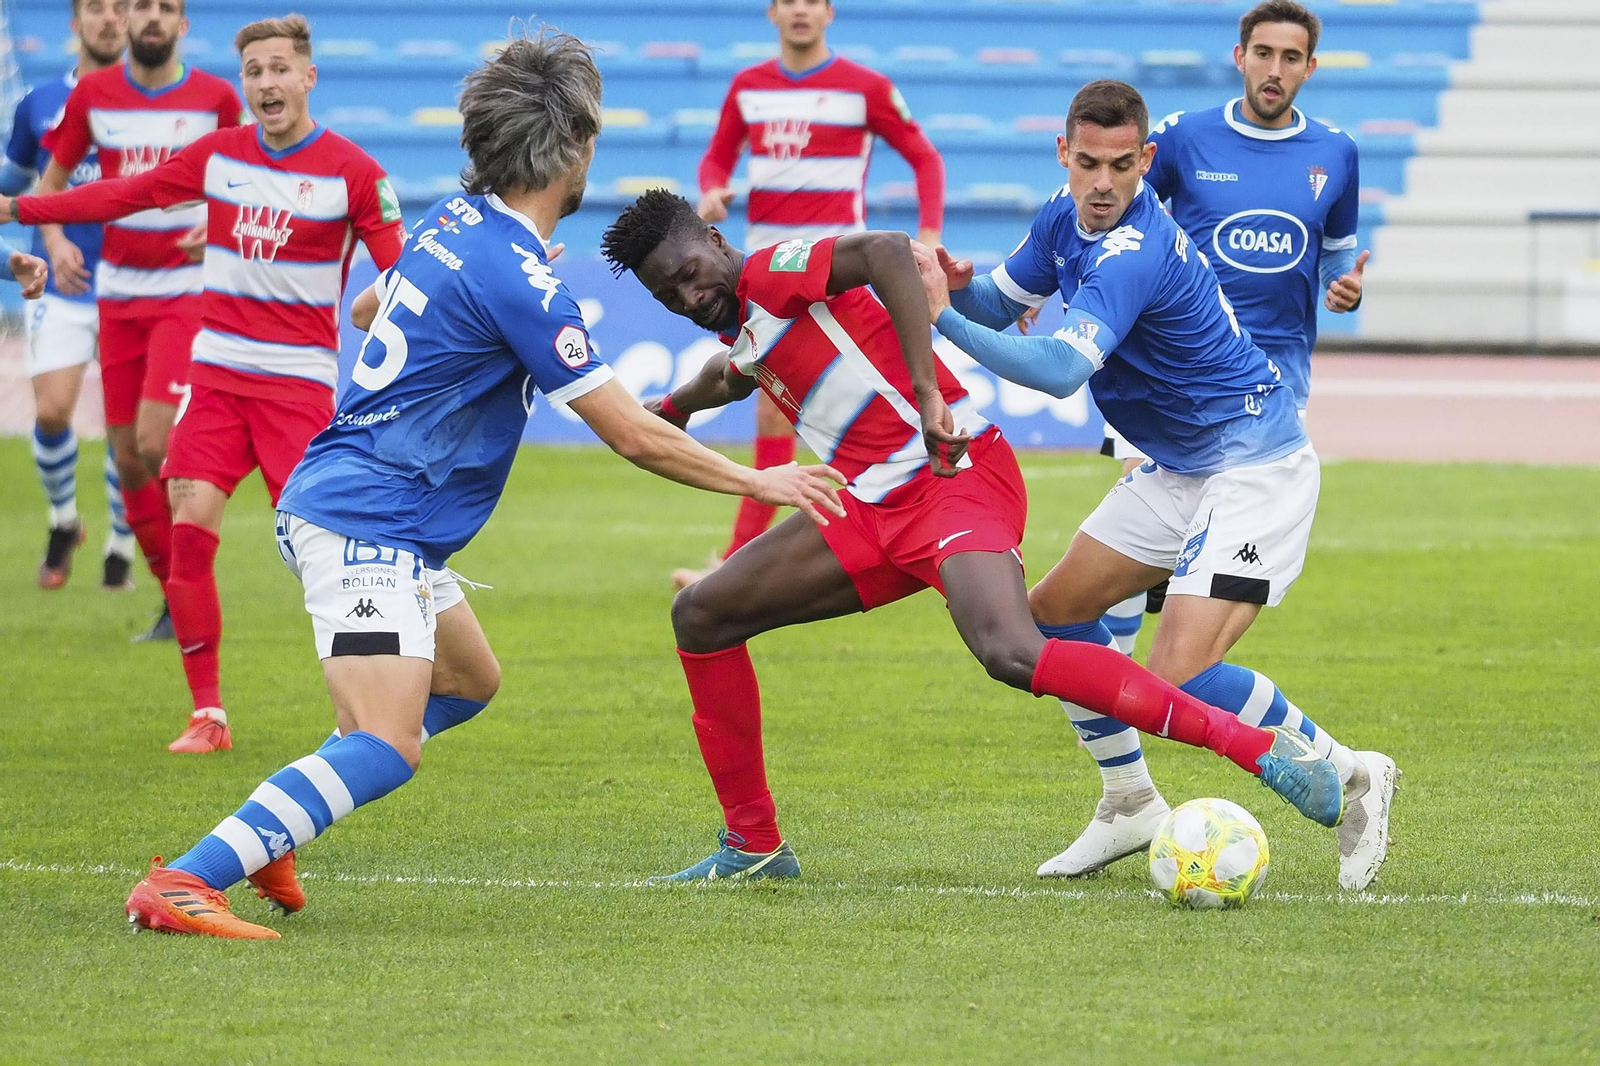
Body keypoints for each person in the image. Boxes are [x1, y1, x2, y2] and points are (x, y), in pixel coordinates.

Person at [118, 30, 847, 939]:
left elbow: (369, 303)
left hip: (383, 513)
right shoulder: (524, 279)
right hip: (364, 519)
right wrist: (765, 481)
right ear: (572, 145)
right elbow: (630, 433)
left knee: (467, 679)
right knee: (387, 742)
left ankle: (277, 828)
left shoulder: (450, 222)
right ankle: (186, 879)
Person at [600, 189, 1344, 883]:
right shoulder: (747, 324)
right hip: (868, 505)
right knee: (701, 615)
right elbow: (734, 372)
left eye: (691, 274)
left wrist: (928, 391)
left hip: (954, 474)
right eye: (670, 297)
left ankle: (1254, 748)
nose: (690, 298)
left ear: (717, 241)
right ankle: (753, 847)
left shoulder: (774, 270)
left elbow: (889, 250)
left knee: (1011, 650)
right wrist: (673, 408)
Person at [921, 79, 1394, 891]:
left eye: (1120, 167)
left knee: (1173, 673)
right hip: (1180, 467)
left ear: (1146, 160)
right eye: (1087, 164)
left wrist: (937, 315)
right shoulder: (1061, 217)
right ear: (1063, 155)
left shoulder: (1134, 248)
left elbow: (1062, 368)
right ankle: (1128, 802)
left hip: (1256, 465)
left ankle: (1355, 774)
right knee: (1053, 615)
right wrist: (954, 287)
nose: (1102, 184)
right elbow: (1001, 302)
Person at [3, 14, 406, 754]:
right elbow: (121, 196)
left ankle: (363, 707)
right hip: (218, 377)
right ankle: (208, 714)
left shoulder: (354, 172)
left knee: (322, 554)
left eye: (279, 68)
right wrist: (20, 209)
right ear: (243, 82)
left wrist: (379, 303)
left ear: (307, 77)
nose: (266, 84)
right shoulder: (218, 157)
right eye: (254, 71)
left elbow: (402, 272)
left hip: (297, 390)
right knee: (188, 523)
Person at [1096, 0, 1370, 659]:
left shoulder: (1336, 152)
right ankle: (1116, 673)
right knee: (1141, 508)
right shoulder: (1186, 135)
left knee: (1202, 531)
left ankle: (1166, 670)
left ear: (1310, 67)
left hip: (1270, 376)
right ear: (1240, 56)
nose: (1276, 69)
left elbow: (1337, 250)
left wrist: (1347, 285)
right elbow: (1113, 205)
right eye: (1265, 53)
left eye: (1291, 57)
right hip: (1169, 355)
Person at [674, 0, 946, 589]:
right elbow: (717, 156)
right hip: (761, 281)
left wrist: (928, 238)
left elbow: (924, 158)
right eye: (787, 0)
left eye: (811, 0)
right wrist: (712, 190)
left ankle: (742, 563)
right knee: (777, 414)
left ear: (829, 12)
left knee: (797, 413)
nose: (799, 10)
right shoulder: (749, 88)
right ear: (772, 12)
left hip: (833, 277)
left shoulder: (865, 88)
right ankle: (746, 561)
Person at [37, 0, 244, 641]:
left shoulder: (215, 98)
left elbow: (249, 180)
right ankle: (172, 601)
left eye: (167, 8)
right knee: (127, 459)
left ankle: (184, 595)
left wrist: (216, 220)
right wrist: (56, 242)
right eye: (142, 8)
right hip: (116, 294)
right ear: (124, 22)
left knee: (157, 444)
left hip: (185, 292)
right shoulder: (95, 95)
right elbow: (51, 185)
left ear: (183, 24)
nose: (152, 18)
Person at [3, 0, 132, 590]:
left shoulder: (155, 107)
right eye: (97, 9)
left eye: (120, 9)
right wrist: (47, 240)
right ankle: (63, 521)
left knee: (126, 424)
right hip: (65, 282)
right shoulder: (42, 104)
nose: (110, 19)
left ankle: (121, 546)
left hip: (134, 283)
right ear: (75, 22)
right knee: (53, 410)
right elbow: (14, 179)